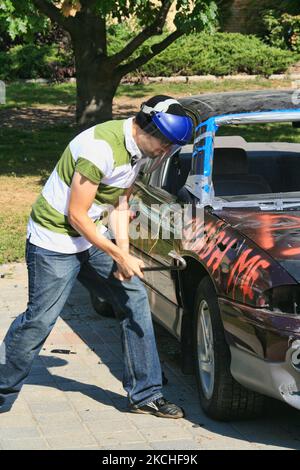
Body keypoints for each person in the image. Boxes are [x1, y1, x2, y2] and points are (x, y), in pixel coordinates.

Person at [0, 95, 193, 418]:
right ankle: (3, 389)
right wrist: (117, 252)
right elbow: (76, 215)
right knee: (39, 320)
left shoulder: (142, 152)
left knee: (134, 301)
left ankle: (145, 393)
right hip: (54, 241)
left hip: (92, 238)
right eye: (164, 142)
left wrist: (123, 255)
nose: (166, 151)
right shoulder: (100, 149)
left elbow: (119, 203)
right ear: (144, 126)